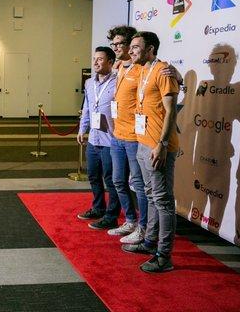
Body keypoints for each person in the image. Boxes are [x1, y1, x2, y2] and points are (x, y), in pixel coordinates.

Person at [122, 31, 179, 273]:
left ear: (151, 49)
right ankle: (149, 242)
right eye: (131, 47)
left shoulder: (163, 71)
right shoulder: (142, 69)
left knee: (163, 200)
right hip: (143, 143)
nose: (131, 50)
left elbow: (171, 112)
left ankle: (164, 256)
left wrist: (162, 144)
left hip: (158, 146)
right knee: (151, 195)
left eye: (136, 47)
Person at [107, 25, 147, 242]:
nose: (116, 47)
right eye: (113, 44)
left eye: (119, 43)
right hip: (117, 135)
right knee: (118, 181)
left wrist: (176, 74)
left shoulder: (141, 68)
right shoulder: (119, 67)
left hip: (134, 137)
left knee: (138, 184)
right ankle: (130, 221)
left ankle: (143, 227)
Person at [76, 46, 120, 230]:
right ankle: (98, 208)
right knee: (93, 176)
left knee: (111, 180)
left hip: (112, 139)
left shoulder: (118, 80)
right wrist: (82, 129)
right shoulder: (89, 83)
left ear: (110, 62)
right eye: (94, 58)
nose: (95, 62)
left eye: (100, 59)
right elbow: (87, 107)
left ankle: (112, 215)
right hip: (94, 138)